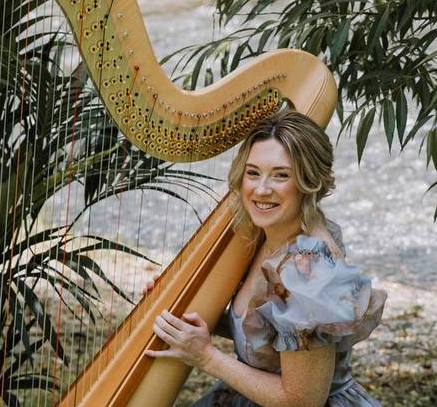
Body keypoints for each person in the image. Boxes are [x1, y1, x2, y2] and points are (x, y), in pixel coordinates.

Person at [145, 110, 387, 407]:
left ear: (308, 181)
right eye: (253, 172)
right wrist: (181, 309)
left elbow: (302, 401)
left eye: (281, 175)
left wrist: (206, 356)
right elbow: (267, 329)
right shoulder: (266, 234)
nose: (261, 189)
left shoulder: (308, 271)